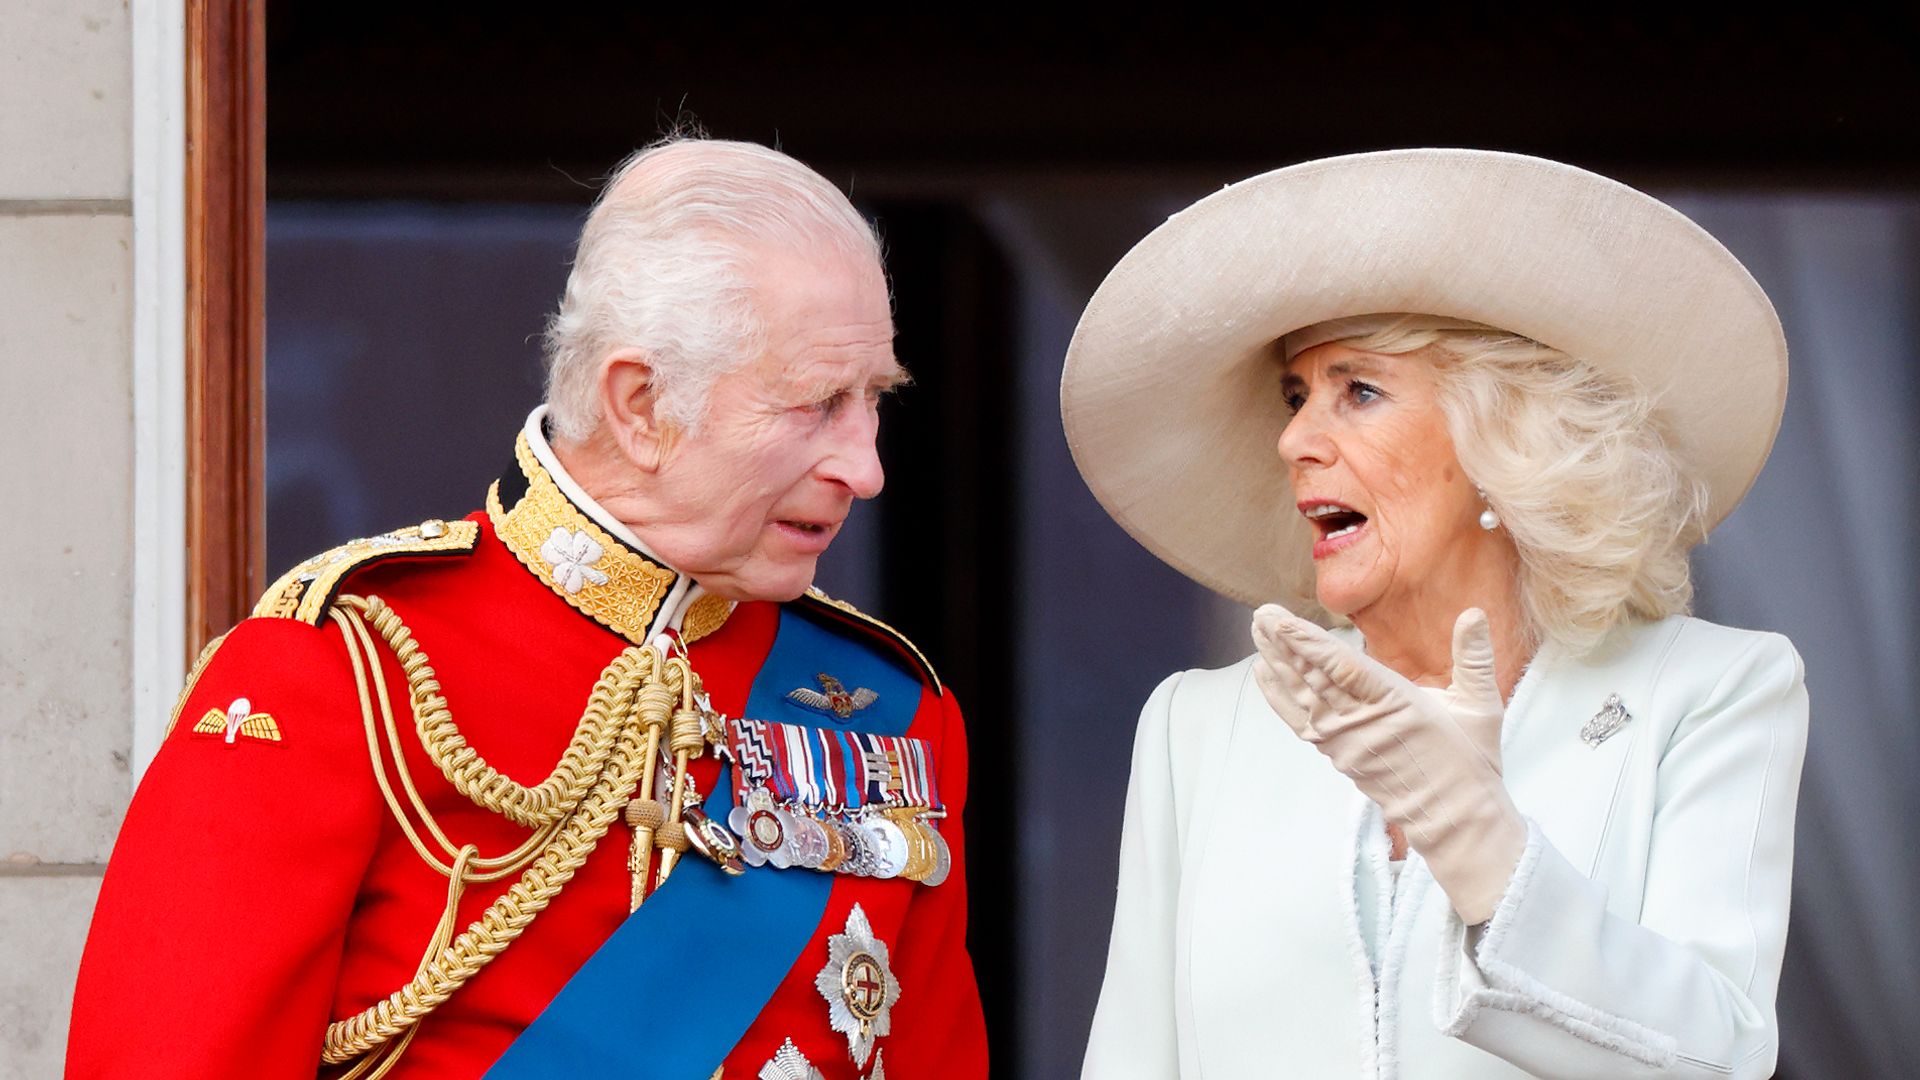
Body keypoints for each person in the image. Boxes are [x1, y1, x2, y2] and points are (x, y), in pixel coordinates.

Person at [68, 138, 986, 1080]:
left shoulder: (897, 717)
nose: (865, 468)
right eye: (816, 403)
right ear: (639, 405)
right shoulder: (348, 673)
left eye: (874, 400)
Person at [1063, 149, 1807, 1078]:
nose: (1294, 436)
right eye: (1296, 395)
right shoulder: (1201, 726)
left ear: (1505, 439)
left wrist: (1476, 835)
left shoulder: (1707, 692)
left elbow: (1717, 1059)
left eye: (1358, 390)